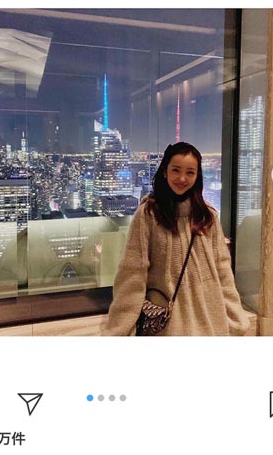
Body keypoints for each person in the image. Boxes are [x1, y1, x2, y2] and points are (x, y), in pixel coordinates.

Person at [103, 142, 250, 336]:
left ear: (197, 176)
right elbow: (132, 275)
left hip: (210, 321)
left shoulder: (208, 216)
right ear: (165, 171)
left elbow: (222, 270)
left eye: (190, 172)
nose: (182, 178)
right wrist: (119, 330)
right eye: (176, 170)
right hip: (166, 325)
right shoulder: (148, 215)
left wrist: (236, 319)